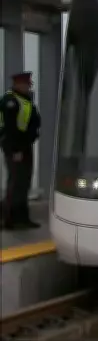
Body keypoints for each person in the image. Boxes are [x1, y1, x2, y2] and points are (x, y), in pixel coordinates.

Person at [1, 72, 41, 230]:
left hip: (24, 147)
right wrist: (15, 150)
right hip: (16, 149)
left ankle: (22, 218)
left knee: (23, 184)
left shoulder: (25, 100)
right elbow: (10, 129)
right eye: (27, 84)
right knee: (15, 183)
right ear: (18, 84)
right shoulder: (10, 101)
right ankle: (9, 219)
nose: (29, 86)